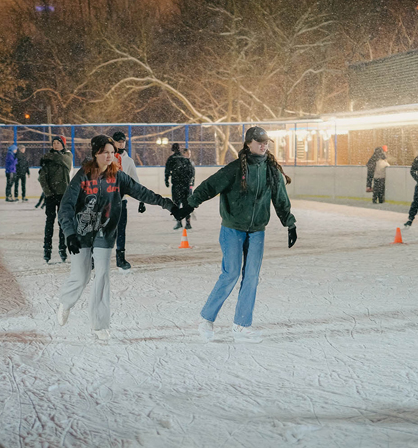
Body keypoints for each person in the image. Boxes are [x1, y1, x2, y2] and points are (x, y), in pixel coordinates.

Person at [56, 135, 185, 341]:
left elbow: (142, 192)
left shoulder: (118, 176)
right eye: (105, 152)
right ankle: (66, 302)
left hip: (105, 233)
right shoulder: (83, 176)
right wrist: (69, 233)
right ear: (96, 153)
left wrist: (167, 204)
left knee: (103, 276)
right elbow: (66, 206)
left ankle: (100, 324)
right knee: (81, 276)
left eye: (111, 152)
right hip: (81, 232)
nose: (110, 156)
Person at [184, 126, 297, 343]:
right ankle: (206, 319)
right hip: (232, 228)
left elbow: (280, 198)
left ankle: (241, 325)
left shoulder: (271, 170)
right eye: (259, 141)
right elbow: (209, 186)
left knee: (252, 277)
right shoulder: (235, 169)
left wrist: (289, 224)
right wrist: (189, 205)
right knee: (231, 273)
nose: (263, 145)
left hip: (257, 231)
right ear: (248, 143)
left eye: (265, 142)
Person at [111, 130, 145, 270]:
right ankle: (96, 256)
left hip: (121, 201)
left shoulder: (128, 161)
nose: (121, 143)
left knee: (120, 230)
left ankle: (120, 257)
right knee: (102, 229)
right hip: (106, 201)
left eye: (123, 141)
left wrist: (141, 200)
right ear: (113, 142)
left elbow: (134, 181)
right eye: (118, 140)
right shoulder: (107, 157)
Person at [39, 136, 72, 263]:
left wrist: (49, 156)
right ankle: (47, 249)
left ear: (63, 144)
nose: (56, 145)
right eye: (54, 143)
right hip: (51, 195)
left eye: (58, 143)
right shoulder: (47, 159)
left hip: (64, 194)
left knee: (62, 223)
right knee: (49, 223)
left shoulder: (67, 156)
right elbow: (42, 177)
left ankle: (62, 248)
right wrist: (48, 193)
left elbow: (65, 161)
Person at [165, 142, 195, 230]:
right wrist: (190, 182)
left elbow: (167, 171)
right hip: (185, 185)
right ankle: (188, 222)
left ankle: (179, 222)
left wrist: (166, 180)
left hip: (176, 185)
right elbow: (191, 171)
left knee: (176, 203)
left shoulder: (171, 159)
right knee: (186, 204)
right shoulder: (185, 159)